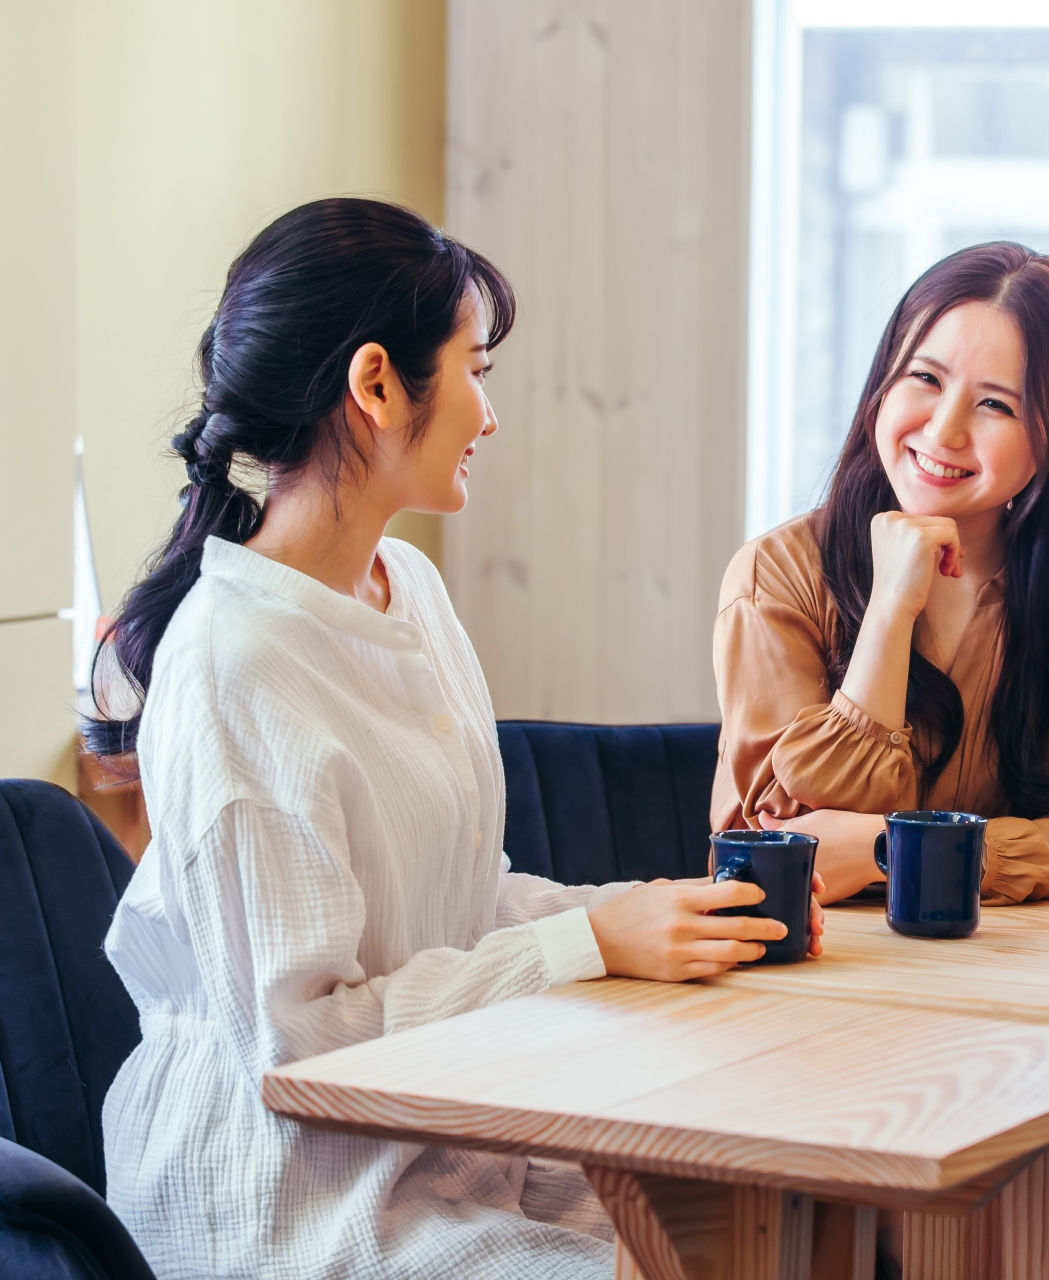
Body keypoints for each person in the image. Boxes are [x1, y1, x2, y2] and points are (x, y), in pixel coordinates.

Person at [93, 198, 818, 1280]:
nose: (489, 412)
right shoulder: (230, 666)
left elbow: (460, 905)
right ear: (377, 383)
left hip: (444, 1129)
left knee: (747, 1220)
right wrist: (590, 943)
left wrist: (640, 911)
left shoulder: (410, 591)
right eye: (476, 368)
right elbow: (301, 1043)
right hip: (288, 1187)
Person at [712, 242, 1049, 905]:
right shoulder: (777, 575)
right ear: (884, 380)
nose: (945, 429)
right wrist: (891, 606)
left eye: (996, 406)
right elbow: (796, 852)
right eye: (924, 378)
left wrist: (884, 848)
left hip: (1001, 980)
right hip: (807, 974)